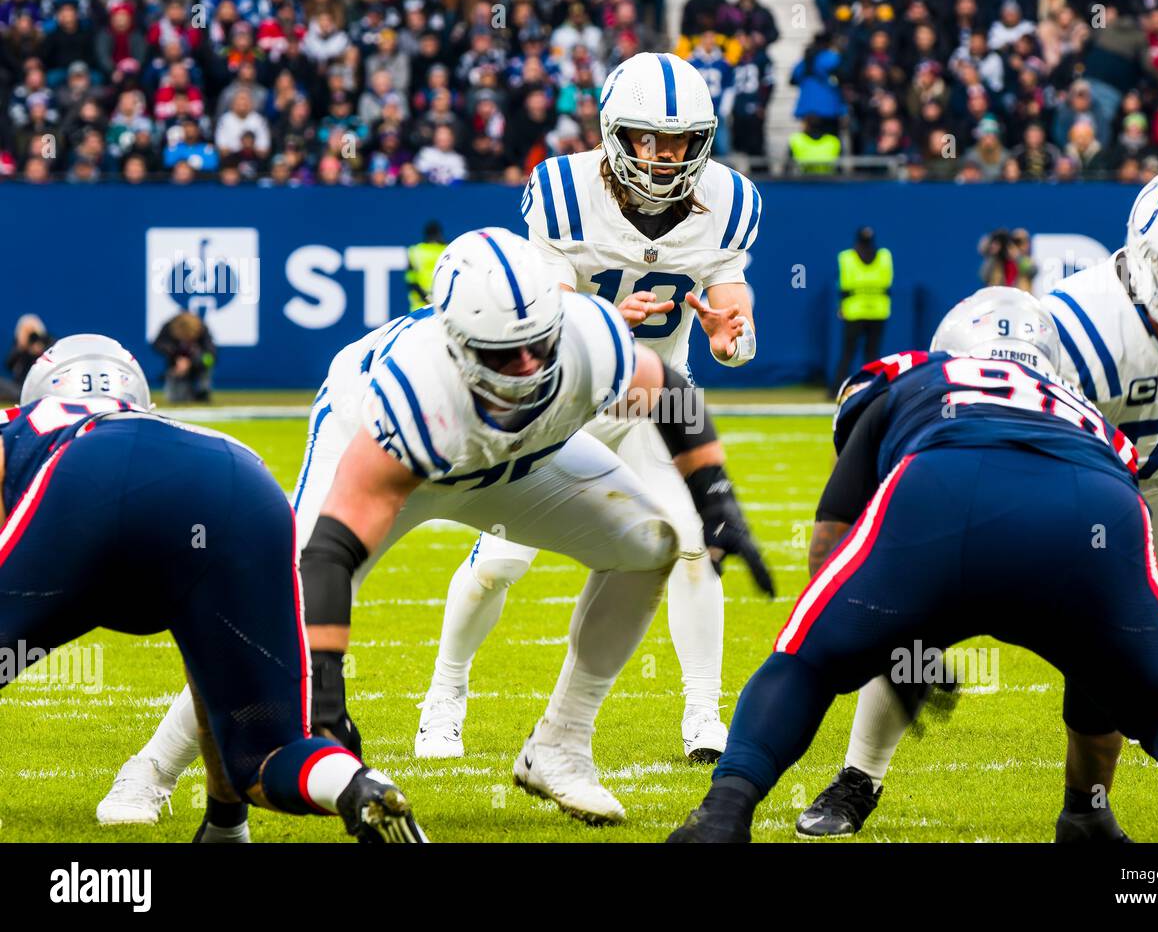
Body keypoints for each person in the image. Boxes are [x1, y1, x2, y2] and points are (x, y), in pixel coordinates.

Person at [97, 227, 769, 829]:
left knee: (652, 543)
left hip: (515, 459)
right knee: (277, 609)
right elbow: (329, 554)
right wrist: (326, 697)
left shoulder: (587, 335)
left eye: (539, 347)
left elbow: (673, 393)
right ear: (459, 347)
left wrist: (716, 503)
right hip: (413, 460)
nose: (529, 368)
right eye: (507, 357)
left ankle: (560, 746)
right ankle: (151, 770)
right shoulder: (413, 395)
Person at [667, 289, 1158, 844]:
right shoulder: (1085, 412)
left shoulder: (912, 372)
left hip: (945, 490)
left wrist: (879, 637)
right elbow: (1100, 656)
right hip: (1096, 502)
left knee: (805, 661)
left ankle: (723, 813)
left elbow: (837, 521)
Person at [797, 166, 1158, 841]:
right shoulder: (1079, 331)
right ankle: (858, 778)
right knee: (920, 601)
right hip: (1055, 493)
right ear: (1149, 268)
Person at [413, 52, 769, 767]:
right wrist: (605, 314)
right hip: (565, 399)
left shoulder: (731, 203)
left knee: (694, 544)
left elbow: (733, 312)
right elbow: (536, 310)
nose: (665, 155)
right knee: (503, 561)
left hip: (652, 401)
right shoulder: (562, 190)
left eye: (680, 141)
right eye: (647, 138)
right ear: (614, 133)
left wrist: (733, 339)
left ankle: (704, 714)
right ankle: (443, 698)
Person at [6, 335, 424, 843]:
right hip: (240, 478)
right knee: (267, 748)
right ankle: (352, 787)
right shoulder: (171, 428)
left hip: (83, 476)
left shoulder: (24, 426)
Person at [832, 227, 893, 392]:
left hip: (855, 311)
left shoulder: (847, 258)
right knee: (869, 355)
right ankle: (871, 389)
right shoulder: (884, 257)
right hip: (876, 311)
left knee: (850, 354)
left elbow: (843, 287)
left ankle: (839, 390)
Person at [152, 310, 216, 402]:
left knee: (207, 366)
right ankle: (185, 393)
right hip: (176, 367)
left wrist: (193, 361)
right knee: (176, 399)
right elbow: (157, 345)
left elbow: (211, 357)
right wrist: (176, 357)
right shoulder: (168, 327)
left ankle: (203, 391)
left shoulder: (202, 329)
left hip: (198, 367)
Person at [2, 313, 51, 400]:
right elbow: (8, 365)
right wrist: (21, 348)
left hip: (40, 389)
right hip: (20, 388)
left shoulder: (47, 342)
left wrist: (40, 351)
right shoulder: (20, 346)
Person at [404, 219, 446, 310]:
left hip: (419, 309)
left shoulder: (415, 251)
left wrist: (426, 299)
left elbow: (411, 281)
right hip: (444, 305)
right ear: (439, 233)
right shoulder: (447, 250)